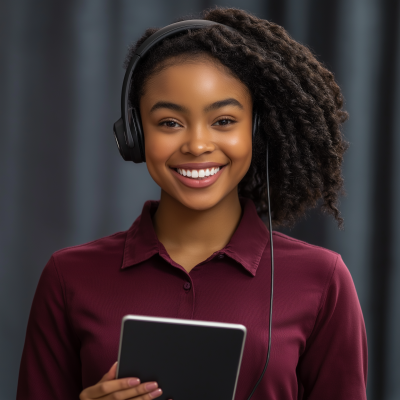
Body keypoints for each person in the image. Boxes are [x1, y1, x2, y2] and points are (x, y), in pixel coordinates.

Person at [16, 6, 367, 400]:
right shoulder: (68, 277)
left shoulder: (322, 281)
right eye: (170, 122)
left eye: (224, 121)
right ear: (134, 134)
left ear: (255, 128)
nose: (197, 145)